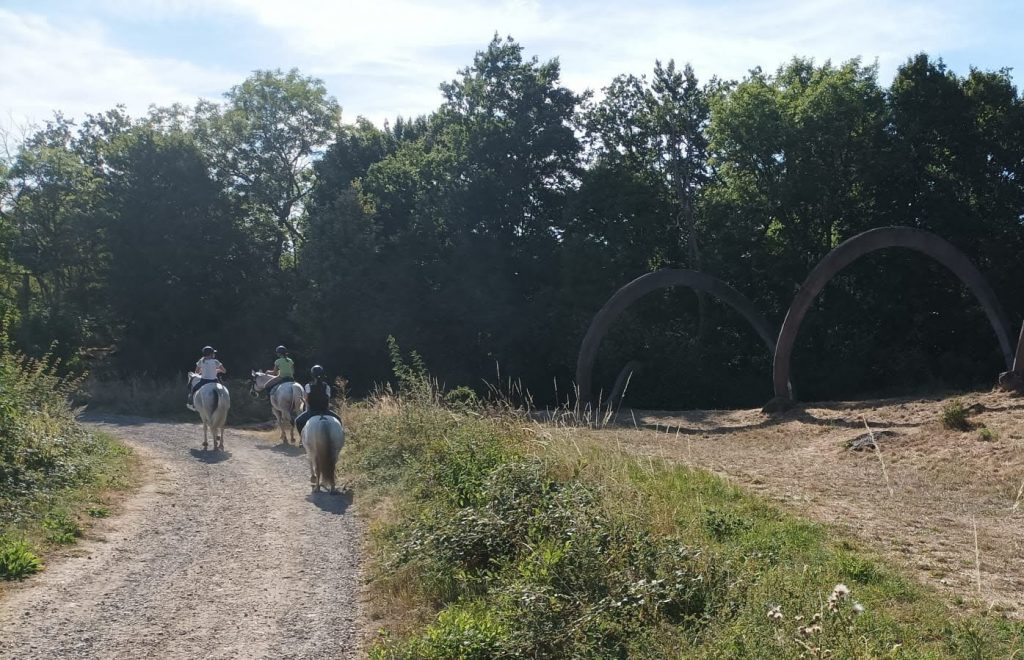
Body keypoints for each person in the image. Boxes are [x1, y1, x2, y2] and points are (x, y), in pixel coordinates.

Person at [294, 365, 341, 434]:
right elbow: (327, 399)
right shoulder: (327, 386)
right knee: (339, 419)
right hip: (325, 410)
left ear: (312, 375)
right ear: (322, 374)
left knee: (298, 421)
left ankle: (302, 440)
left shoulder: (308, 386)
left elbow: (306, 399)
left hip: (312, 411)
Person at [187, 346, 225, 410]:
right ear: (211, 354)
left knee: (194, 390)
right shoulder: (216, 361)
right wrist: (217, 370)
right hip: (214, 381)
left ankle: (193, 404)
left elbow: (197, 372)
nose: (214, 354)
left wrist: (203, 371)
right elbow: (224, 371)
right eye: (213, 353)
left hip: (204, 381)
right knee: (223, 390)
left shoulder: (201, 361)